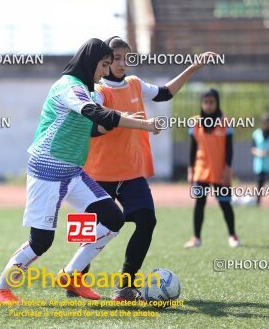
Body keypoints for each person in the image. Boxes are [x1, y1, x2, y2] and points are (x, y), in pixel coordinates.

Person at [0, 38, 161, 303]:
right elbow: (95, 113)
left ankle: (71, 274)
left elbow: (96, 124)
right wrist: (142, 125)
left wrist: (123, 122)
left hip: (72, 171)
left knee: (113, 220)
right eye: (103, 65)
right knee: (41, 242)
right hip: (47, 170)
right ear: (90, 62)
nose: (105, 71)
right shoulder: (69, 87)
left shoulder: (86, 89)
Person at [82, 36, 217, 300]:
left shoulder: (134, 84)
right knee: (90, 230)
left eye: (126, 58)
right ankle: (76, 278)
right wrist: (124, 122)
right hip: (99, 175)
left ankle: (125, 285)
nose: (122, 63)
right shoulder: (98, 92)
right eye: (116, 59)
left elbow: (165, 93)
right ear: (105, 62)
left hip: (131, 173)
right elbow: (90, 129)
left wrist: (192, 68)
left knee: (147, 221)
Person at [185, 89, 240, 248]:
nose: (208, 105)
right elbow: (192, 148)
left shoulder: (225, 122)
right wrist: (191, 169)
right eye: (205, 102)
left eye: (211, 102)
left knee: (225, 203)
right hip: (201, 170)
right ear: (201, 103)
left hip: (220, 171)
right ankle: (196, 238)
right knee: (199, 203)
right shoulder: (195, 122)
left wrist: (228, 170)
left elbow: (229, 150)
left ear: (217, 103)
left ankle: (232, 236)